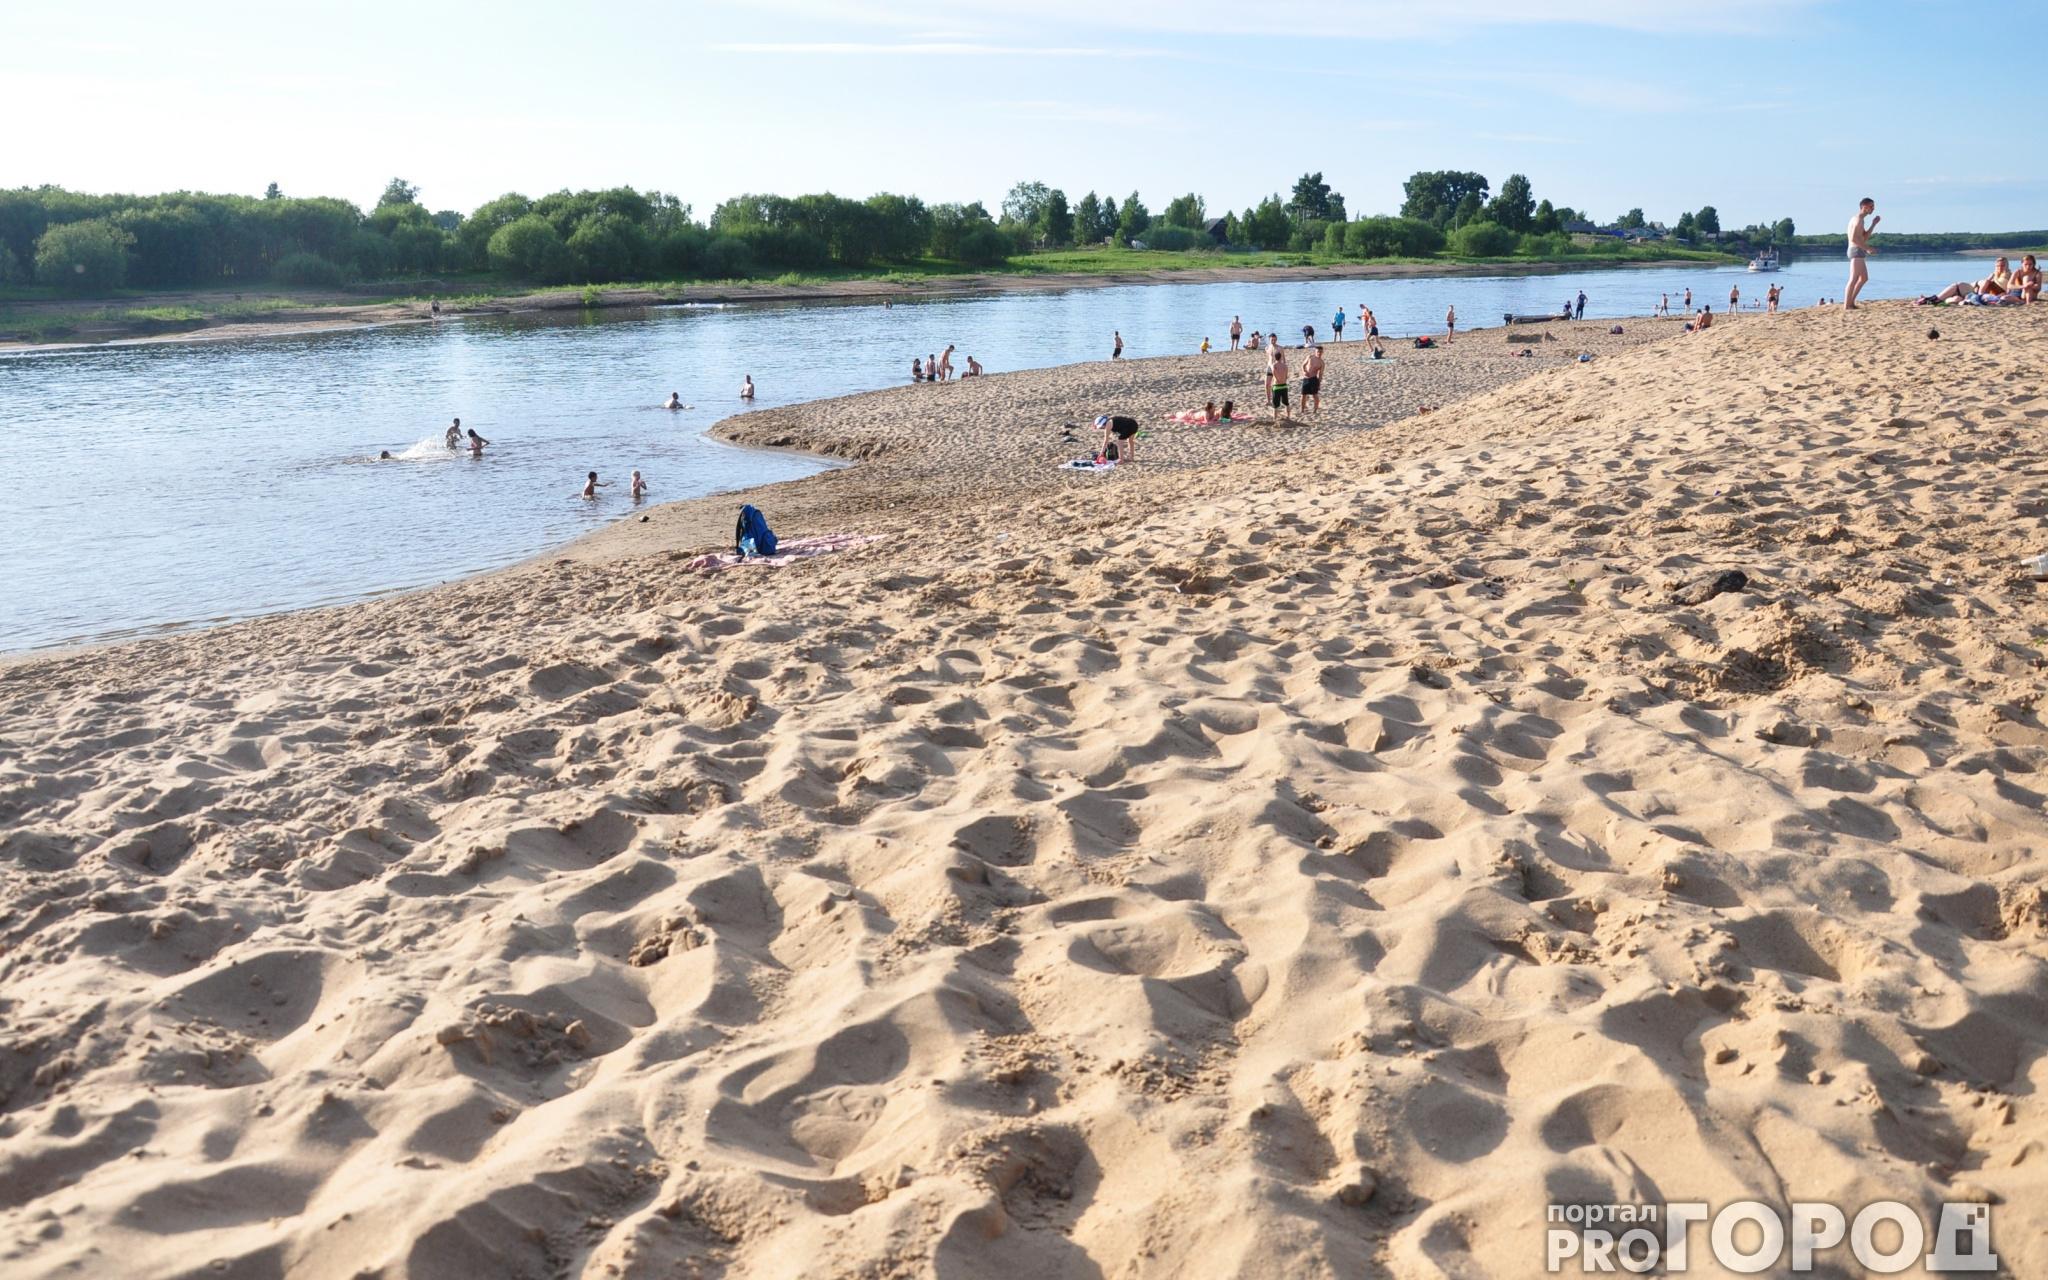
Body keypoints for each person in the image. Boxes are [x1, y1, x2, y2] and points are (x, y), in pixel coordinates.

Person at [1845, 197, 1879, 309]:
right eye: (1871, 206)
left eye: (1873, 206)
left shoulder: (1860, 220)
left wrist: (1873, 224)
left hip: (1858, 250)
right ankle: (1847, 305)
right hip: (1855, 250)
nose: (1873, 209)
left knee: (1864, 278)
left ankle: (1851, 302)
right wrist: (1868, 248)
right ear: (1863, 206)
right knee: (1853, 279)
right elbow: (1854, 239)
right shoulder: (1858, 219)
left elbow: (1864, 237)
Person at [1267, 343, 1291, 420]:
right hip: (1284, 386)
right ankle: (1288, 416)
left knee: (1275, 405)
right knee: (1286, 403)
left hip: (1277, 386)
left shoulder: (1274, 366)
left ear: (1275, 357)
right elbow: (1286, 376)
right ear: (1280, 357)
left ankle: (1275, 418)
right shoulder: (1285, 366)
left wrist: (1269, 355)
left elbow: (1274, 375)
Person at [1300, 344, 1324, 416]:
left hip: (1314, 379)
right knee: (1303, 395)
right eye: (1318, 351)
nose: (1319, 353)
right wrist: (1304, 371)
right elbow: (1303, 365)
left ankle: (1315, 410)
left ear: (1322, 352)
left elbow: (1320, 375)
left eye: (1320, 352)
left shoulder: (1321, 363)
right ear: (1315, 352)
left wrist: (1319, 384)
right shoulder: (1310, 357)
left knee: (1315, 395)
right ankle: (1302, 410)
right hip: (1306, 378)